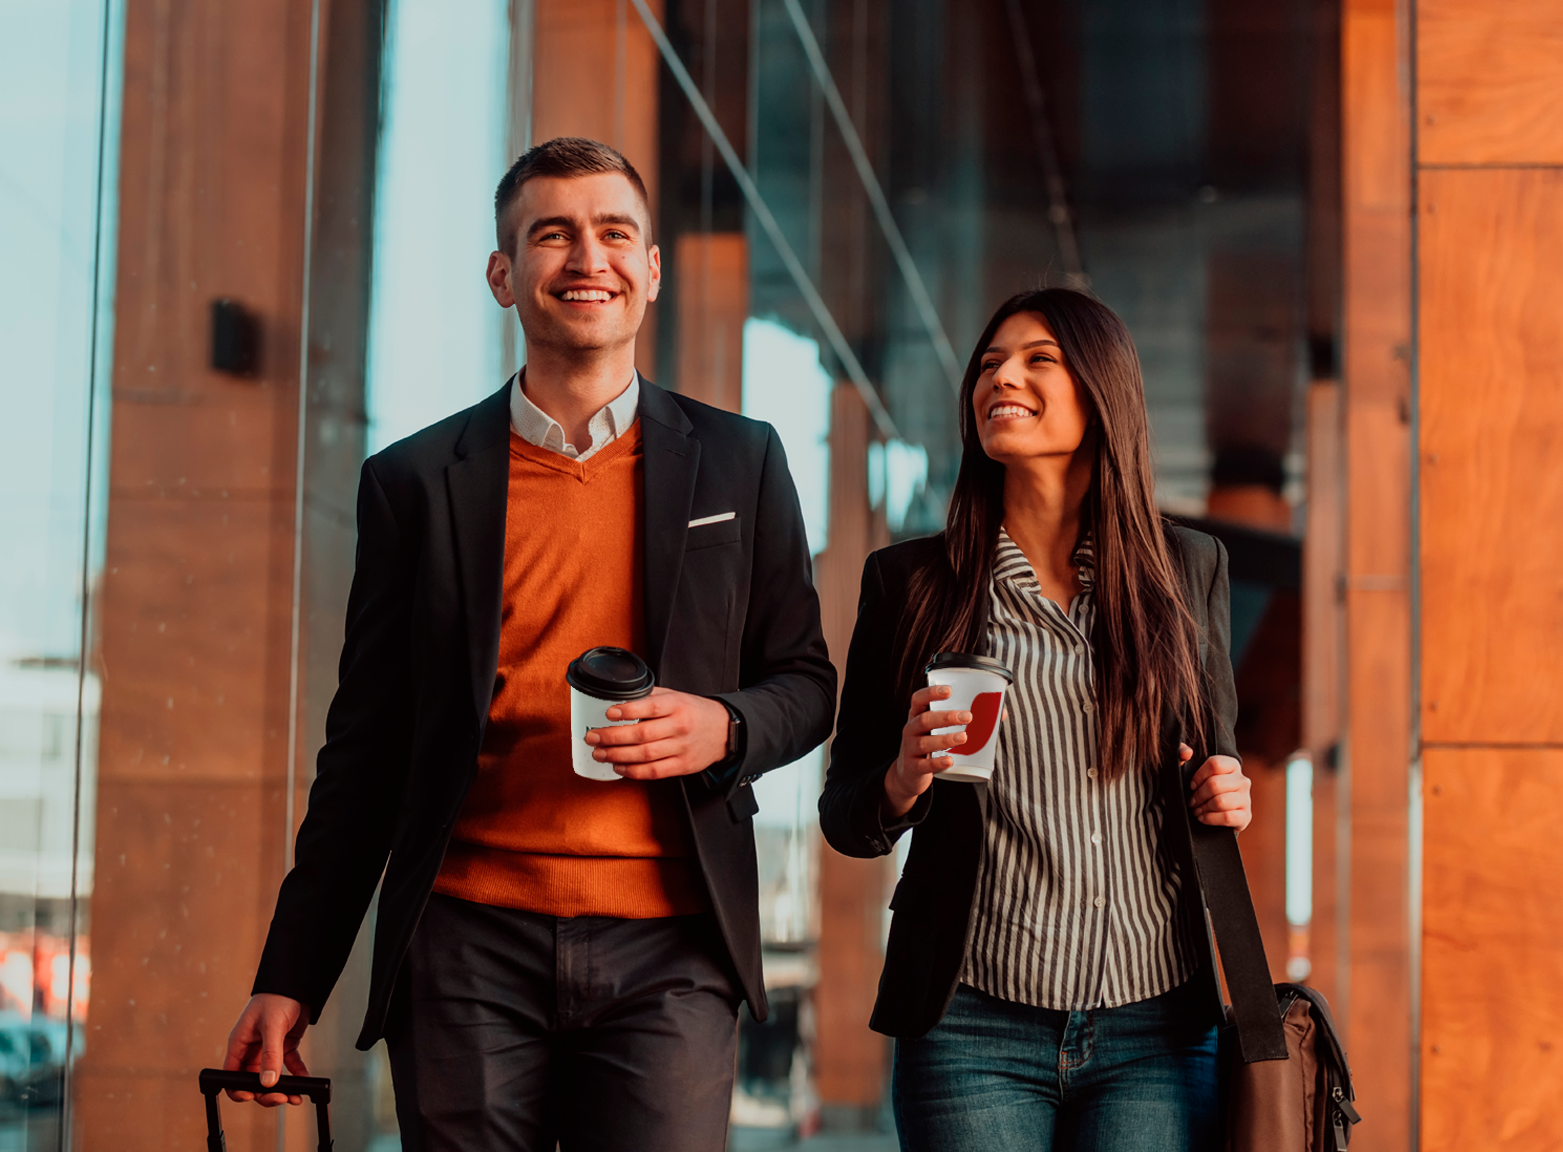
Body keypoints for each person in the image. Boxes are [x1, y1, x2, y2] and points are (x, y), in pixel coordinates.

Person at [221, 137, 837, 1152]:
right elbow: (365, 753)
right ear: (503, 275)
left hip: (673, 949)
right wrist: (291, 975)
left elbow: (807, 684)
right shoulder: (412, 483)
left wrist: (724, 726)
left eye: (614, 234)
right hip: (465, 945)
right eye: (553, 234)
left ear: (650, 269)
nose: (588, 257)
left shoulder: (743, 461)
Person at [820, 288, 1254, 1151]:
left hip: (1155, 1027)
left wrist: (1224, 789)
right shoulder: (909, 584)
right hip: (968, 1025)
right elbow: (846, 814)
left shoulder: (1185, 569)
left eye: (1036, 360)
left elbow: (1216, 761)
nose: (1000, 378)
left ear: (1102, 392)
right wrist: (903, 777)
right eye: (988, 364)